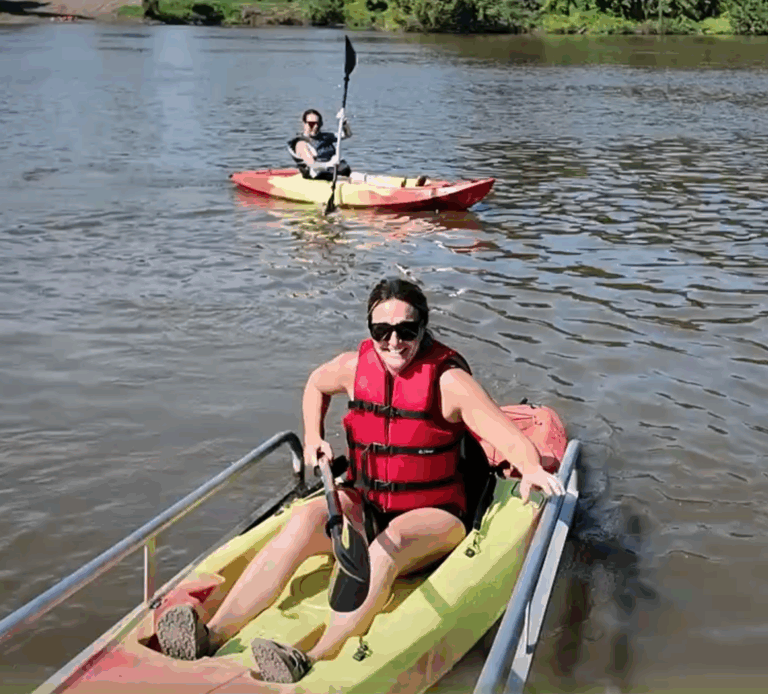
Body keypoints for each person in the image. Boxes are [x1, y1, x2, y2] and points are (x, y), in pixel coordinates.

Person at [155, 277, 565, 684]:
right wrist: (313, 436)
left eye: (406, 330)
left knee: (388, 546)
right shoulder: (353, 367)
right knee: (306, 517)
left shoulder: (449, 383)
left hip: (435, 517)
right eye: (382, 331)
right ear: (370, 330)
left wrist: (530, 468)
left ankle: (311, 657)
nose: (394, 342)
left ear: (423, 327)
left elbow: (507, 437)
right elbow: (316, 384)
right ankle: (212, 634)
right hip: (367, 503)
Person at [288, 108, 352, 180]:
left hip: (335, 172)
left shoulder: (325, 137)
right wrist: (330, 164)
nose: (315, 126)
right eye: (311, 124)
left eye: (318, 123)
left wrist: (344, 124)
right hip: (317, 176)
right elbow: (312, 165)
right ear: (304, 124)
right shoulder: (301, 143)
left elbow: (347, 135)